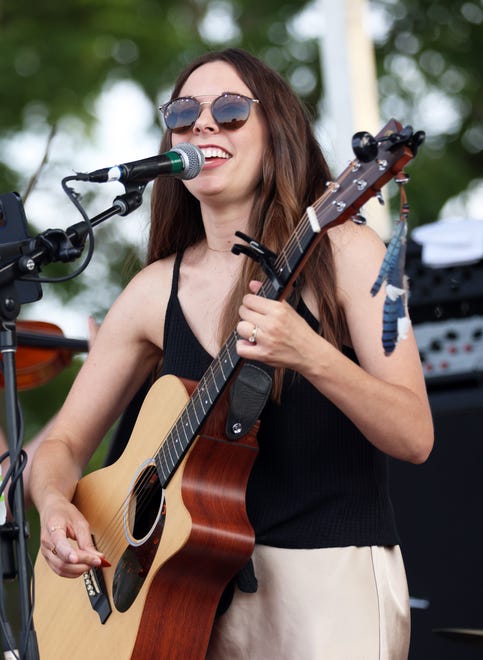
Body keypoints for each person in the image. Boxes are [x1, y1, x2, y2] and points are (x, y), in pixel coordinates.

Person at [29, 48, 434, 658]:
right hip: (187, 597)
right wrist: (55, 502)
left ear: (278, 133)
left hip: (328, 584)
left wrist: (311, 355)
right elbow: (60, 447)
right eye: (185, 111)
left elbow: (415, 435)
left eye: (231, 110)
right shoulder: (149, 293)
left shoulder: (353, 252)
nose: (204, 124)